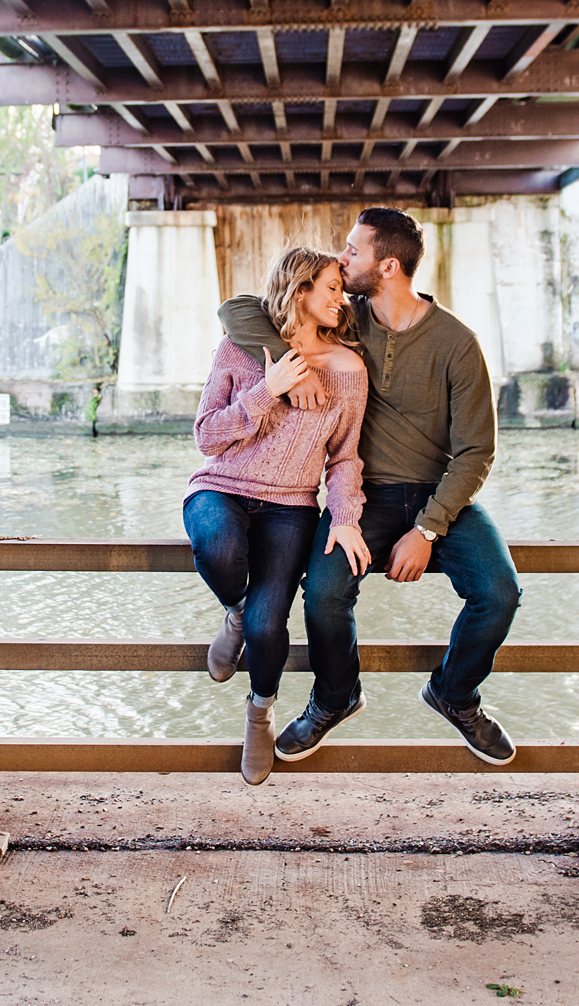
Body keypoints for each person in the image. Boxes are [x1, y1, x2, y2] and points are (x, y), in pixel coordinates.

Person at [219, 206, 518, 766]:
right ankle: (335, 698)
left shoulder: (457, 343)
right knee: (325, 594)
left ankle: (455, 695)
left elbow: (477, 452)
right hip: (361, 495)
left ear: (387, 267)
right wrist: (290, 361)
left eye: (353, 251)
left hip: (438, 497)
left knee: (500, 592)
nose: (341, 258)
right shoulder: (343, 318)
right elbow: (237, 310)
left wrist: (429, 528)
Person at [184, 246, 372, 785]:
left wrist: (344, 517)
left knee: (270, 627)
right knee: (218, 546)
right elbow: (206, 437)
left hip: (291, 506)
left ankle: (258, 714)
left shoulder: (349, 371)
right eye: (332, 288)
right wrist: (269, 390)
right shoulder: (240, 350)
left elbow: (344, 458)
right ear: (300, 290)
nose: (342, 299)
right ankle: (235, 611)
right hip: (219, 487)